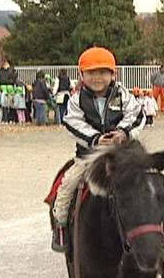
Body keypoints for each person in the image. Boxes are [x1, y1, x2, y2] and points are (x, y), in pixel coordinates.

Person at [51, 46, 145, 252]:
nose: (97, 77)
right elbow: (72, 122)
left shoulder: (123, 95)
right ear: (81, 74)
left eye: (103, 72)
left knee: (148, 181)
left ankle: (157, 229)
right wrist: (95, 139)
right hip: (90, 155)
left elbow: (137, 115)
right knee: (68, 184)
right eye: (91, 72)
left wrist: (123, 132)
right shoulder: (77, 99)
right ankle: (60, 224)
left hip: (122, 154)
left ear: (113, 74)